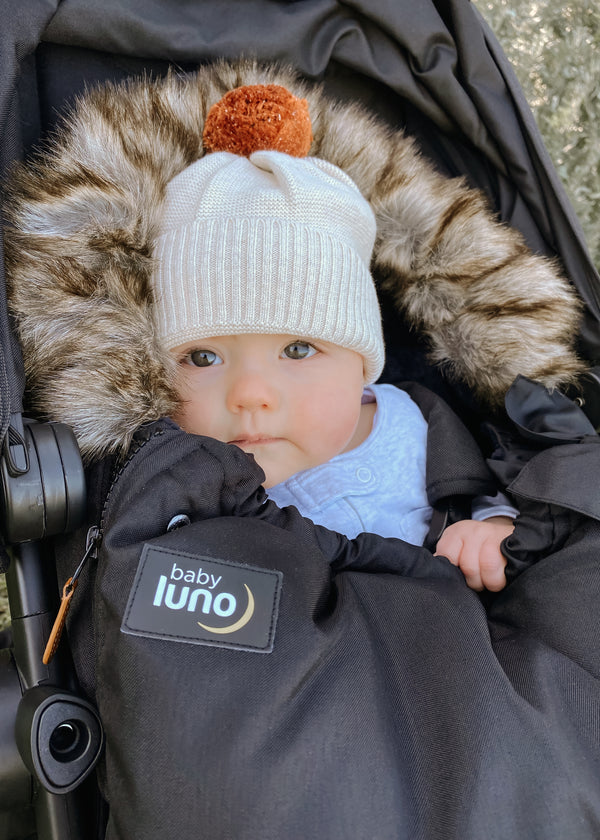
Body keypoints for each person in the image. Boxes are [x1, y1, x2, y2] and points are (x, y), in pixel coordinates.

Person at [148, 105, 516, 592]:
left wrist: (493, 531)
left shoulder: (416, 424)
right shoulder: (193, 485)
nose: (251, 394)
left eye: (298, 350)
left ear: (361, 365)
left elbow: (488, 491)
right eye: (202, 357)